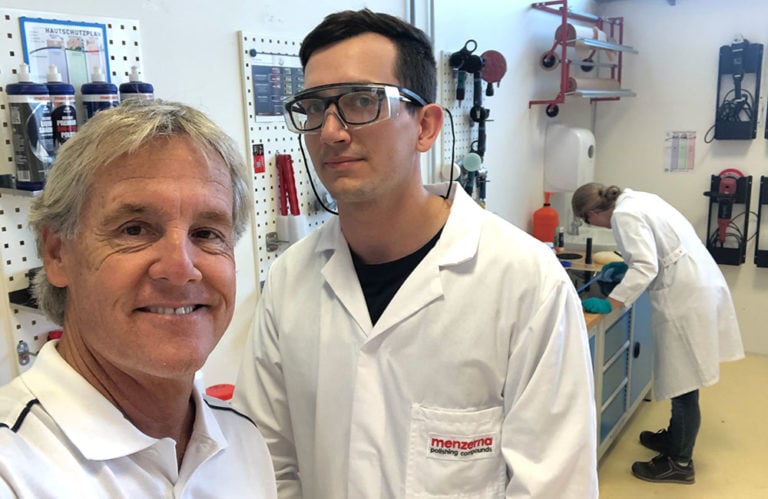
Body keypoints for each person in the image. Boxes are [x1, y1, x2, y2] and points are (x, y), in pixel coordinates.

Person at [234, 9, 598, 498]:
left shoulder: (525, 282)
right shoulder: (290, 279)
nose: (331, 132)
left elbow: (555, 486)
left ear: (425, 126)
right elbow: (266, 463)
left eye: (362, 101)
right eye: (315, 107)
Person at [0, 99, 277, 498]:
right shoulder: (14, 469)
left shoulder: (242, 442)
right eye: (135, 230)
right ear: (57, 254)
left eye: (206, 233)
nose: (181, 268)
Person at [572, 182, 745, 485]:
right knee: (683, 378)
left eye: (589, 220)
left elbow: (646, 265)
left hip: (684, 294)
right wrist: (627, 268)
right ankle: (675, 439)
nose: (594, 226)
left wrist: (610, 302)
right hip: (693, 280)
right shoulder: (636, 199)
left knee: (684, 381)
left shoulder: (623, 216)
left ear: (593, 212)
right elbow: (653, 249)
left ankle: (680, 462)